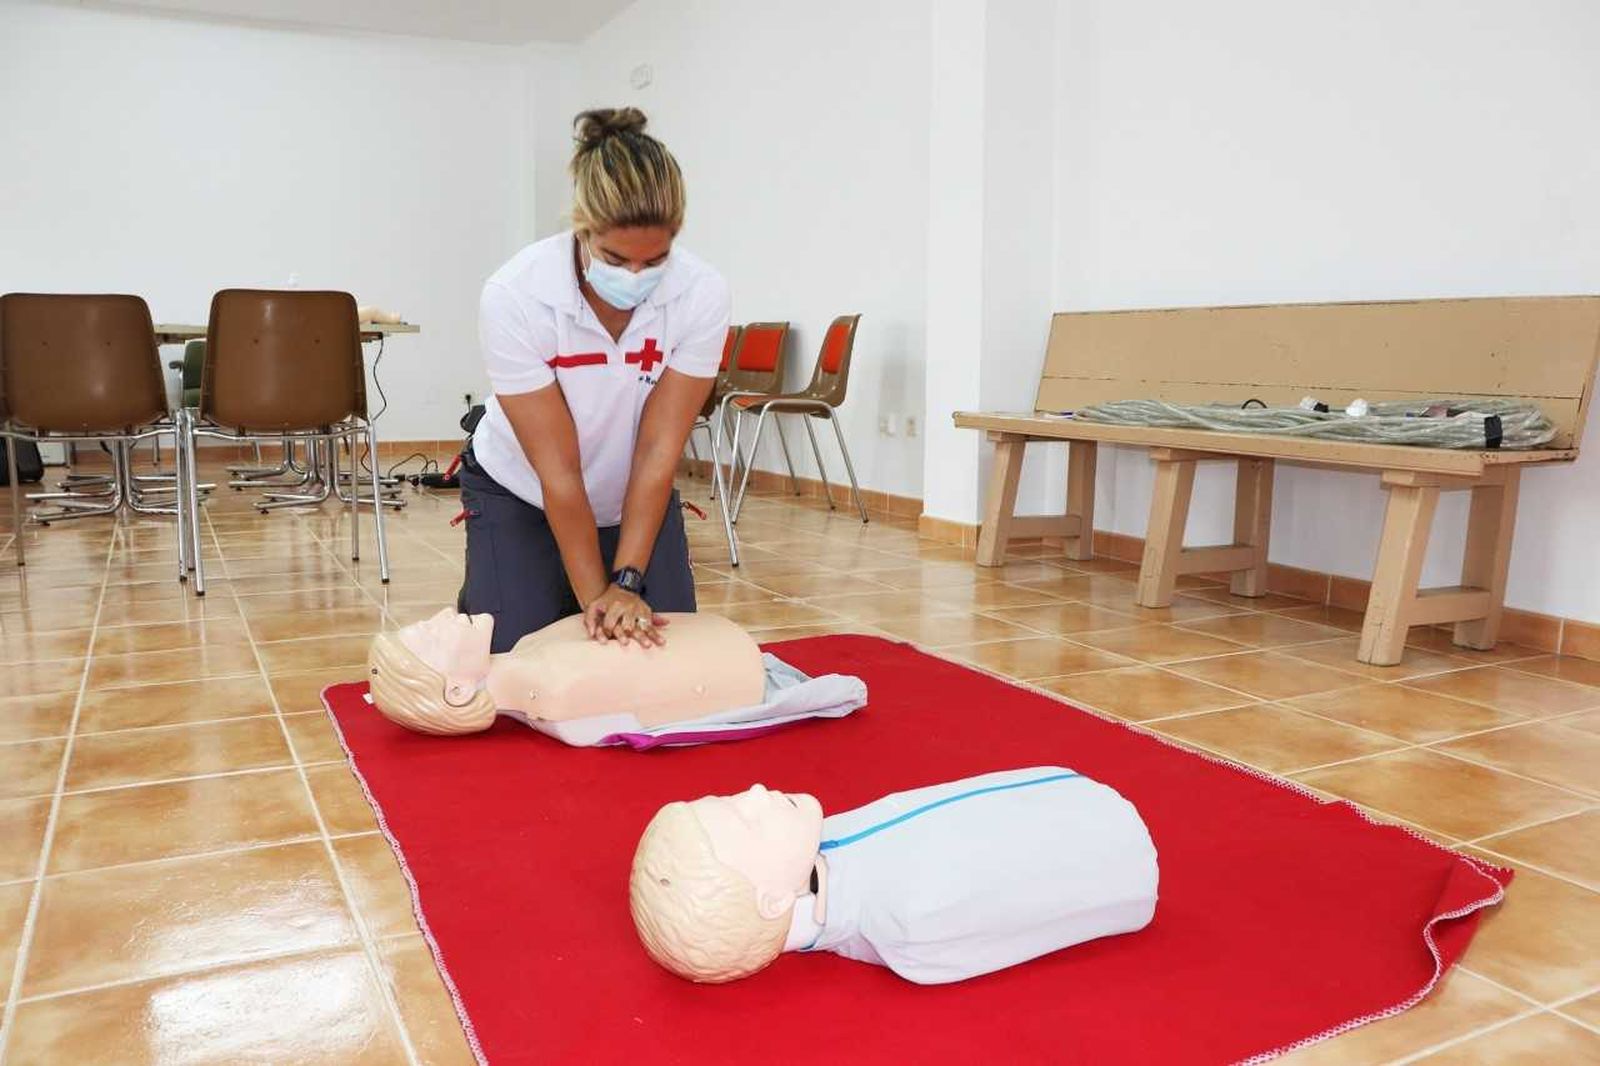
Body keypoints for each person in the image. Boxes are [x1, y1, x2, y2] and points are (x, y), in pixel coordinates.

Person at [460, 107, 729, 653]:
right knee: (519, 658)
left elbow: (658, 450)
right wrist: (597, 602)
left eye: (655, 260)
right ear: (582, 230)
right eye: (615, 258)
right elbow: (558, 470)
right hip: (522, 490)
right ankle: (501, 583)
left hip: (633, 492)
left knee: (668, 655)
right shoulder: (516, 296)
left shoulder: (702, 294)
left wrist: (627, 582)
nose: (636, 276)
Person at [630, 769, 1159, 984]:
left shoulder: (819, 839)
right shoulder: (910, 920)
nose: (754, 792)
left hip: (1073, 795)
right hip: (1116, 847)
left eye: (728, 800)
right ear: (774, 901)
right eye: (747, 820)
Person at [365, 608, 868, 748]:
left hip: (731, 652)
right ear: (457, 690)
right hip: (737, 662)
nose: (441, 615)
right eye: (431, 635)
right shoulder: (559, 689)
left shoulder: (530, 651)